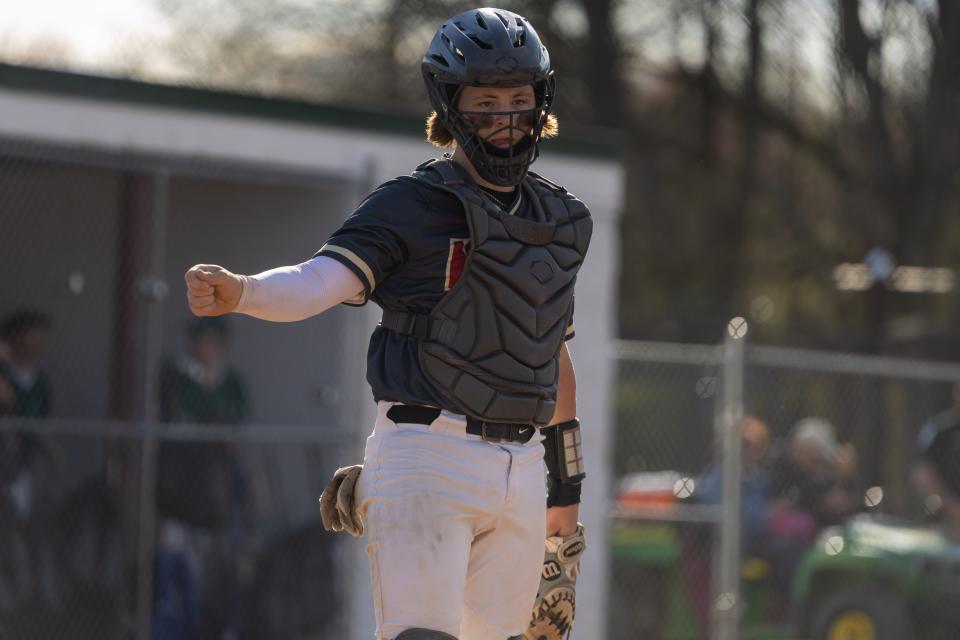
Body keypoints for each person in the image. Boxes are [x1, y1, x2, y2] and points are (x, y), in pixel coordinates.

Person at [184, 8, 590, 640]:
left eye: (520, 99)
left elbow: (552, 358)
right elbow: (319, 280)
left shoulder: (561, 220)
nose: (507, 119)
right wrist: (243, 292)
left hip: (523, 464)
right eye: (486, 102)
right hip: (427, 453)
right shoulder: (411, 205)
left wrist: (566, 492)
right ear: (450, 107)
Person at [154, 316, 250, 640]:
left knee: (217, 566)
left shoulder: (230, 380)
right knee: (172, 558)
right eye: (200, 339)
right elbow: (182, 412)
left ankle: (215, 626)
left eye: (211, 340)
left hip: (217, 491)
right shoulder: (177, 374)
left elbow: (237, 424)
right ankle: (171, 627)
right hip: (179, 486)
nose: (204, 347)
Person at [0, 308, 56, 520]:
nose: (37, 340)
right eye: (31, 333)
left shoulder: (41, 383)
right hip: (4, 454)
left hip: (24, 461)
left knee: (20, 515)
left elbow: (43, 421)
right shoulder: (4, 374)